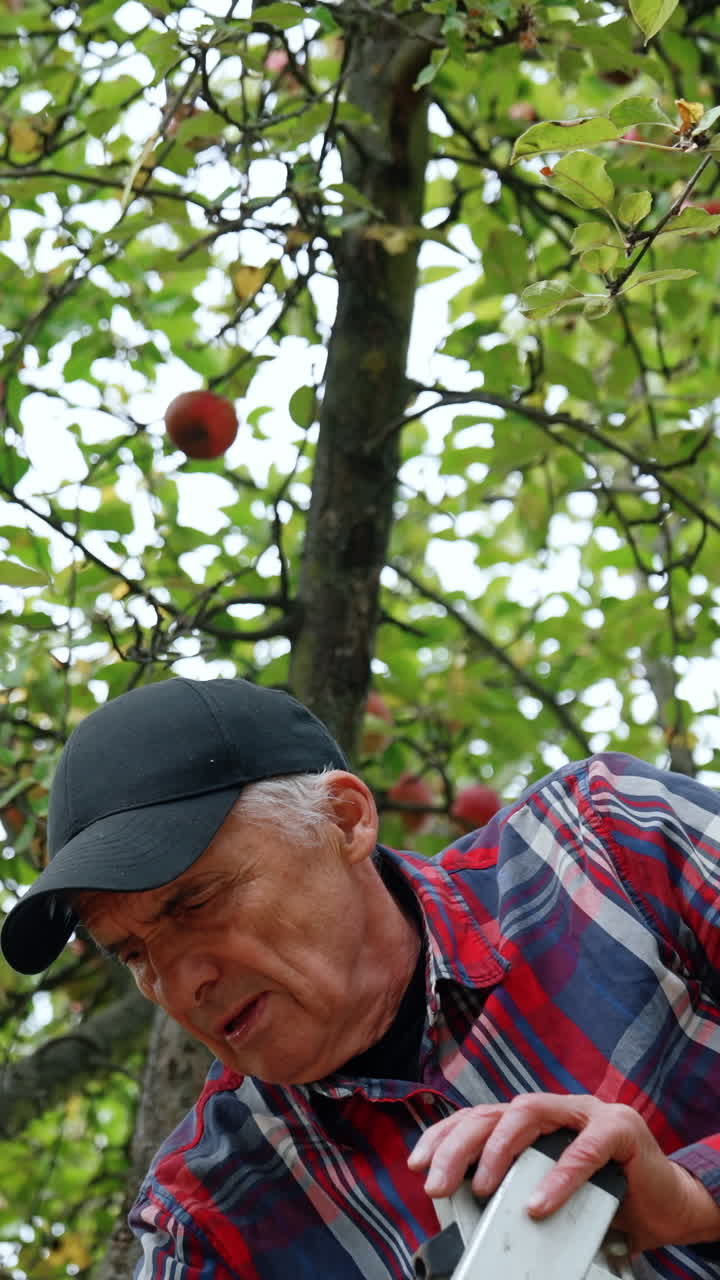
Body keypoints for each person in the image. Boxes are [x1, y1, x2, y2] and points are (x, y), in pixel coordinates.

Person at [3, 675, 720, 1280]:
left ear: (345, 820)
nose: (177, 985)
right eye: (132, 953)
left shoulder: (606, 844)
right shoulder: (209, 1221)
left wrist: (693, 1195)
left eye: (196, 901)